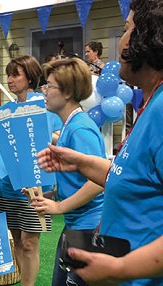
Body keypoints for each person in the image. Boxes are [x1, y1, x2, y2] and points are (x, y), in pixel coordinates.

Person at [36, 1, 163, 284]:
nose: (121, 40)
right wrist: (81, 162)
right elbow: (131, 177)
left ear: (149, 37)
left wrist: (121, 269)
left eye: (127, 28)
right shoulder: (151, 103)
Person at [0, 55, 62, 286]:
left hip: (38, 187)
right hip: (9, 187)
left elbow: (60, 140)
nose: (9, 79)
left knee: (30, 242)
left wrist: (41, 135)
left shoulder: (47, 108)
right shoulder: (4, 110)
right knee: (17, 240)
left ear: (30, 76)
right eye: (8, 74)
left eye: (15, 74)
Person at [31, 57, 106, 286]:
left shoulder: (80, 128)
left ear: (67, 92)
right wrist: (49, 197)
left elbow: (98, 182)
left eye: (50, 86)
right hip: (76, 224)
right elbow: (76, 180)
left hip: (87, 227)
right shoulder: (68, 126)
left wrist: (59, 206)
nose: (44, 91)